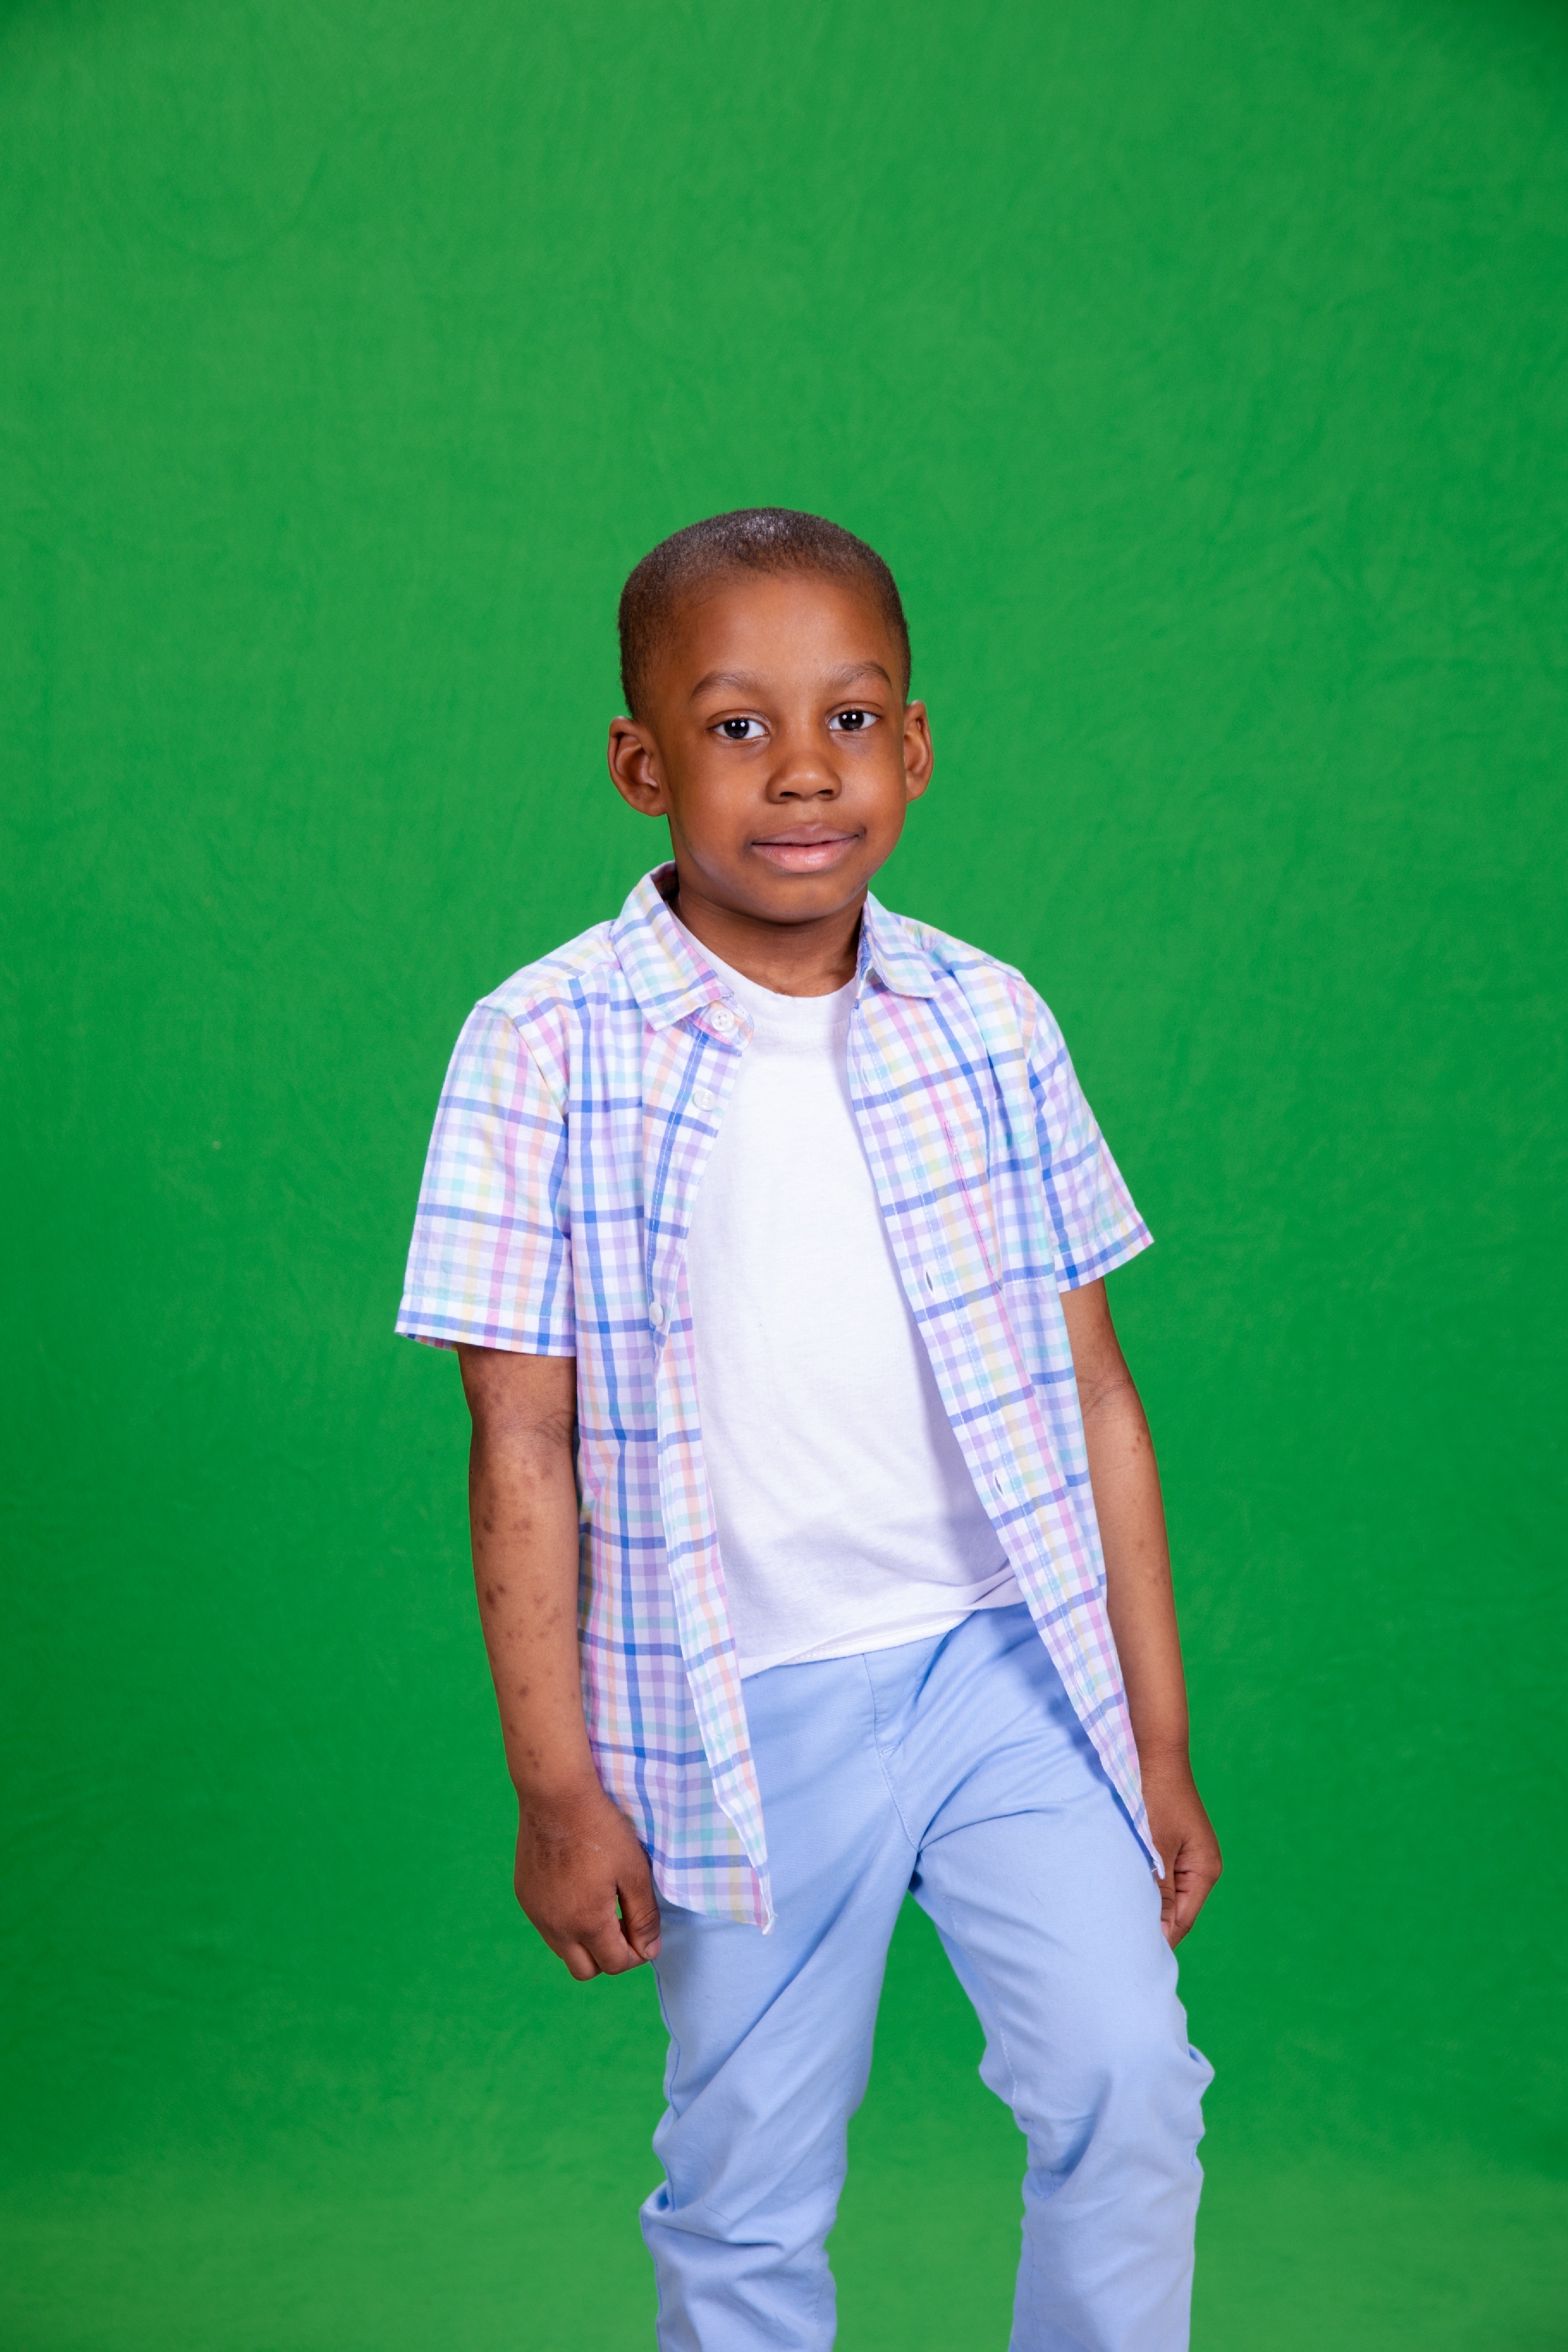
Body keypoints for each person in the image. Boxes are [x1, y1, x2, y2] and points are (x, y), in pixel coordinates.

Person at [397, 508, 1221, 2351]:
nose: (801, 773)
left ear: (912, 748)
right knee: (750, 2176)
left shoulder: (989, 1022)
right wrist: (556, 1789)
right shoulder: (543, 1047)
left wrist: (1152, 1740)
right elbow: (519, 1444)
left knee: (1127, 2080)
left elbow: (1097, 1390)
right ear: (644, 765)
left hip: (1001, 1669)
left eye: (849, 720)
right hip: (735, 1709)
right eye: (736, 726)